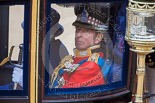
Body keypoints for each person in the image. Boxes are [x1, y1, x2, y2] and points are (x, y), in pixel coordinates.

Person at [50, 4, 112, 88]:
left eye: (86, 31)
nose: (79, 35)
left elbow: (62, 94)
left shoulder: (92, 66)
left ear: (98, 37)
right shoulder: (76, 59)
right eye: (78, 30)